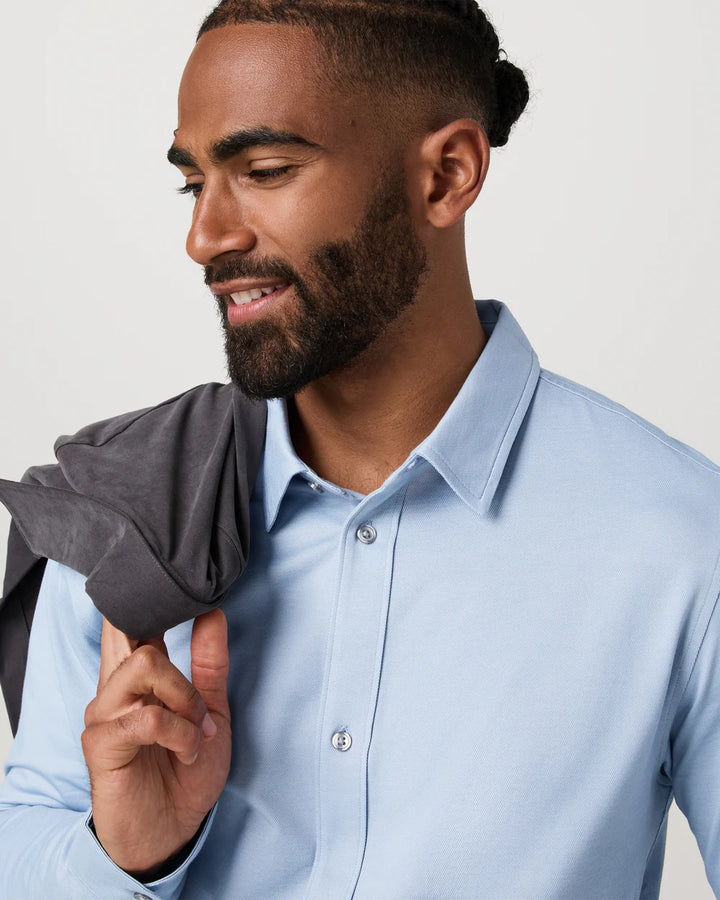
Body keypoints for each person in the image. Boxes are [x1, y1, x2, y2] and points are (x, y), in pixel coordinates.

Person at [0, 1, 719, 898]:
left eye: (265, 171)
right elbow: (28, 833)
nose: (205, 237)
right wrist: (127, 858)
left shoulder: (683, 545)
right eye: (194, 184)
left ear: (447, 175)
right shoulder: (127, 519)